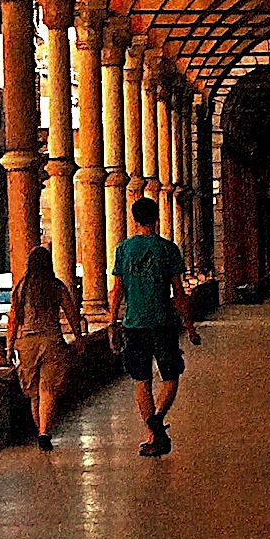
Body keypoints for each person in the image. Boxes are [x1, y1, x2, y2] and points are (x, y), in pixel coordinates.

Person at [109, 195, 200, 457]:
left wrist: (112, 322)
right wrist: (190, 326)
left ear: (134, 219)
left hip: (134, 323)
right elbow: (179, 293)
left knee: (141, 381)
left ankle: (152, 434)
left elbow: (117, 290)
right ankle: (157, 421)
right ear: (157, 217)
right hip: (164, 323)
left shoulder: (123, 250)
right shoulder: (168, 249)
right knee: (171, 377)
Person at [6, 245, 85, 451]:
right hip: (52, 340)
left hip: (27, 343)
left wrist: (9, 346)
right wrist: (78, 337)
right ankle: (44, 432)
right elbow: (71, 313)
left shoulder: (20, 288)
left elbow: (13, 320)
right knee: (47, 389)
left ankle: (40, 430)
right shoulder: (55, 286)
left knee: (34, 392)